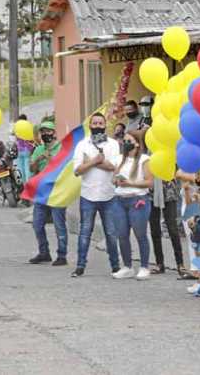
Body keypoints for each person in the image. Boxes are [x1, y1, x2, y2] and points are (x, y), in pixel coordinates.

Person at [71, 113, 128, 278]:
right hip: (87, 195)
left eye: (100, 122)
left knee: (111, 233)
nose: (97, 125)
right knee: (85, 232)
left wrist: (92, 162)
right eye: (94, 123)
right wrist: (95, 161)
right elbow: (77, 171)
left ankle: (115, 266)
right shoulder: (82, 145)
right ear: (90, 125)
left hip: (109, 195)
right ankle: (80, 266)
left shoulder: (113, 145)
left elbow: (114, 167)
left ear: (105, 125)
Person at [111, 130, 154, 280]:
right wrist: (117, 180)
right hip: (119, 200)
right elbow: (113, 179)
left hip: (137, 200)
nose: (125, 143)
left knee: (140, 234)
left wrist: (131, 183)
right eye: (124, 140)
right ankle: (127, 266)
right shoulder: (119, 159)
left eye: (129, 141)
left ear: (137, 143)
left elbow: (149, 182)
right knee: (122, 234)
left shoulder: (144, 159)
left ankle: (144, 266)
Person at [28, 121, 68, 266]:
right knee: (37, 224)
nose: (45, 134)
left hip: (58, 190)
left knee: (59, 224)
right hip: (42, 190)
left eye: (48, 131)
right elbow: (32, 168)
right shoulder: (38, 149)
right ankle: (44, 252)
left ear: (54, 132)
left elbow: (62, 168)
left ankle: (62, 255)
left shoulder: (61, 148)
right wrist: (40, 157)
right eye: (43, 131)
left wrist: (50, 158)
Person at [149, 178, 185, 276]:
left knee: (173, 229)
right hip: (152, 193)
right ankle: (159, 263)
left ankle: (180, 264)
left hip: (169, 191)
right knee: (154, 230)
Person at [16, 114, 34, 184]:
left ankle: (22, 183)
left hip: (19, 150)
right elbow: (32, 139)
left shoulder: (17, 127)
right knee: (27, 168)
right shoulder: (29, 127)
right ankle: (28, 183)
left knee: (20, 168)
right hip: (27, 150)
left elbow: (13, 135)